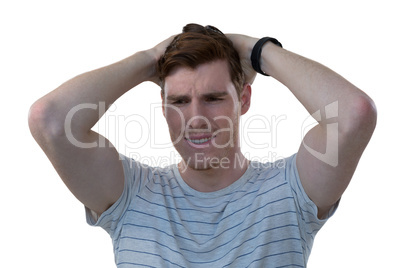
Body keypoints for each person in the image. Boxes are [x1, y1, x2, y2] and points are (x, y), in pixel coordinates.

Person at [28, 23, 377, 267]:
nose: (196, 118)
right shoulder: (130, 194)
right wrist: (150, 59)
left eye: (212, 98)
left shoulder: (290, 189)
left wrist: (257, 51)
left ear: (243, 100)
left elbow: (354, 114)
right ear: (163, 108)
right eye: (179, 102)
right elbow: (50, 120)